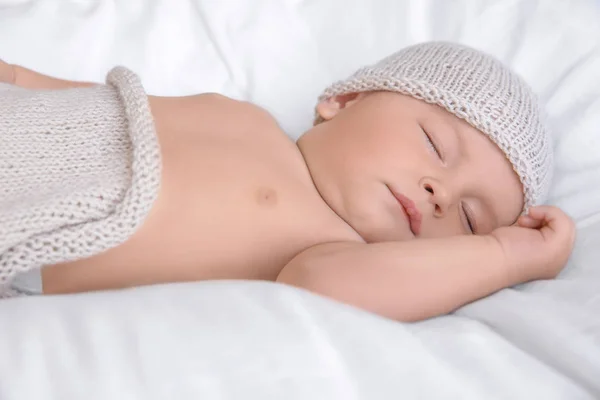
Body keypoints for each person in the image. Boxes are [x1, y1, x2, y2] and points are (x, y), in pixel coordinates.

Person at [0, 41, 575, 321]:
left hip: (28, 242)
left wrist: (505, 256)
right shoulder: (239, 114)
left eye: (470, 220)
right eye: (434, 144)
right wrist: (18, 76)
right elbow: (96, 102)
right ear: (343, 101)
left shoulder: (330, 252)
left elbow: (323, 291)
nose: (441, 193)